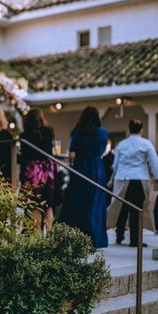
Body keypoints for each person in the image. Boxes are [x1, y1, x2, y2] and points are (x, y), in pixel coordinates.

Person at [107, 119, 158, 247]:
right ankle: (135, 240)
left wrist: (113, 178)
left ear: (129, 129)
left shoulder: (121, 144)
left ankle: (119, 235)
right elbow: (154, 163)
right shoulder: (146, 143)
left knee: (122, 207)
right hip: (139, 179)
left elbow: (115, 165)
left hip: (122, 177)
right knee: (136, 210)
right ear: (141, 130)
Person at [61, 106, 108, 248]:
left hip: (81, 168)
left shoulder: (78, 133)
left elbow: (71, 153)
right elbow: (103, 150)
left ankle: (79, 235)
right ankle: (96, 237)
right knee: (96, 202)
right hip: (97, 168)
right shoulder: (103, 133)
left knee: (79, 201)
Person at [19, 108, 57, 232]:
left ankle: (36, 237)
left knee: (34, 204)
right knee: (48, 205)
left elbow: (24, 156)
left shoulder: (25, 135)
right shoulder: (49, 132)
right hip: (47, 171)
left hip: (32, 172)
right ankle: (51, 235)